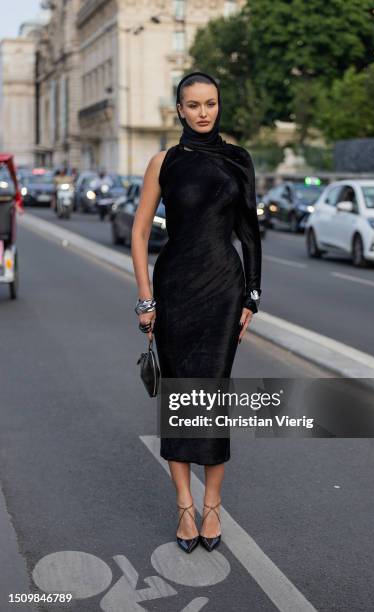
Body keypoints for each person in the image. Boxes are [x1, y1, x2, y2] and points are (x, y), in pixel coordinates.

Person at [131, 71, 262, 554]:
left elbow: (250, 234)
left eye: (210, 103)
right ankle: (185, 505)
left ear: (218, 106)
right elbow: (141, 234)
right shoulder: (163, 162)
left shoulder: (238, 160)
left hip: (224, 293)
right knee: (181, 400)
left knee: (212, 398)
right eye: (193, 104)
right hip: (175, 292)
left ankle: (213, 505)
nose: (203, 112)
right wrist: (146, 300)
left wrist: (252, 296)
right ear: (180, 110)